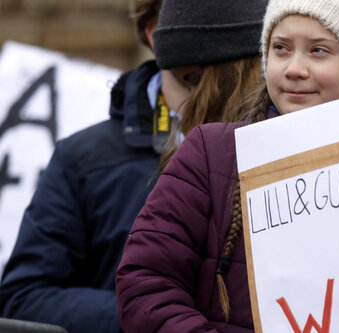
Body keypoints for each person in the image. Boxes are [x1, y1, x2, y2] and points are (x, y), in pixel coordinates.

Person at [115, 0, 339, 331]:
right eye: (281, 48)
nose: (294, 68)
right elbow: (145, 282)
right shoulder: (211, 154)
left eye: (318, 51)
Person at [0, 0, 266, 331]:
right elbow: (23, 297)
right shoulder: (85, 160)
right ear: (156, 33)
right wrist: (148, 311)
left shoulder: (286, 143)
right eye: (190, 80)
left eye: (232, 83)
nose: (205, 106)